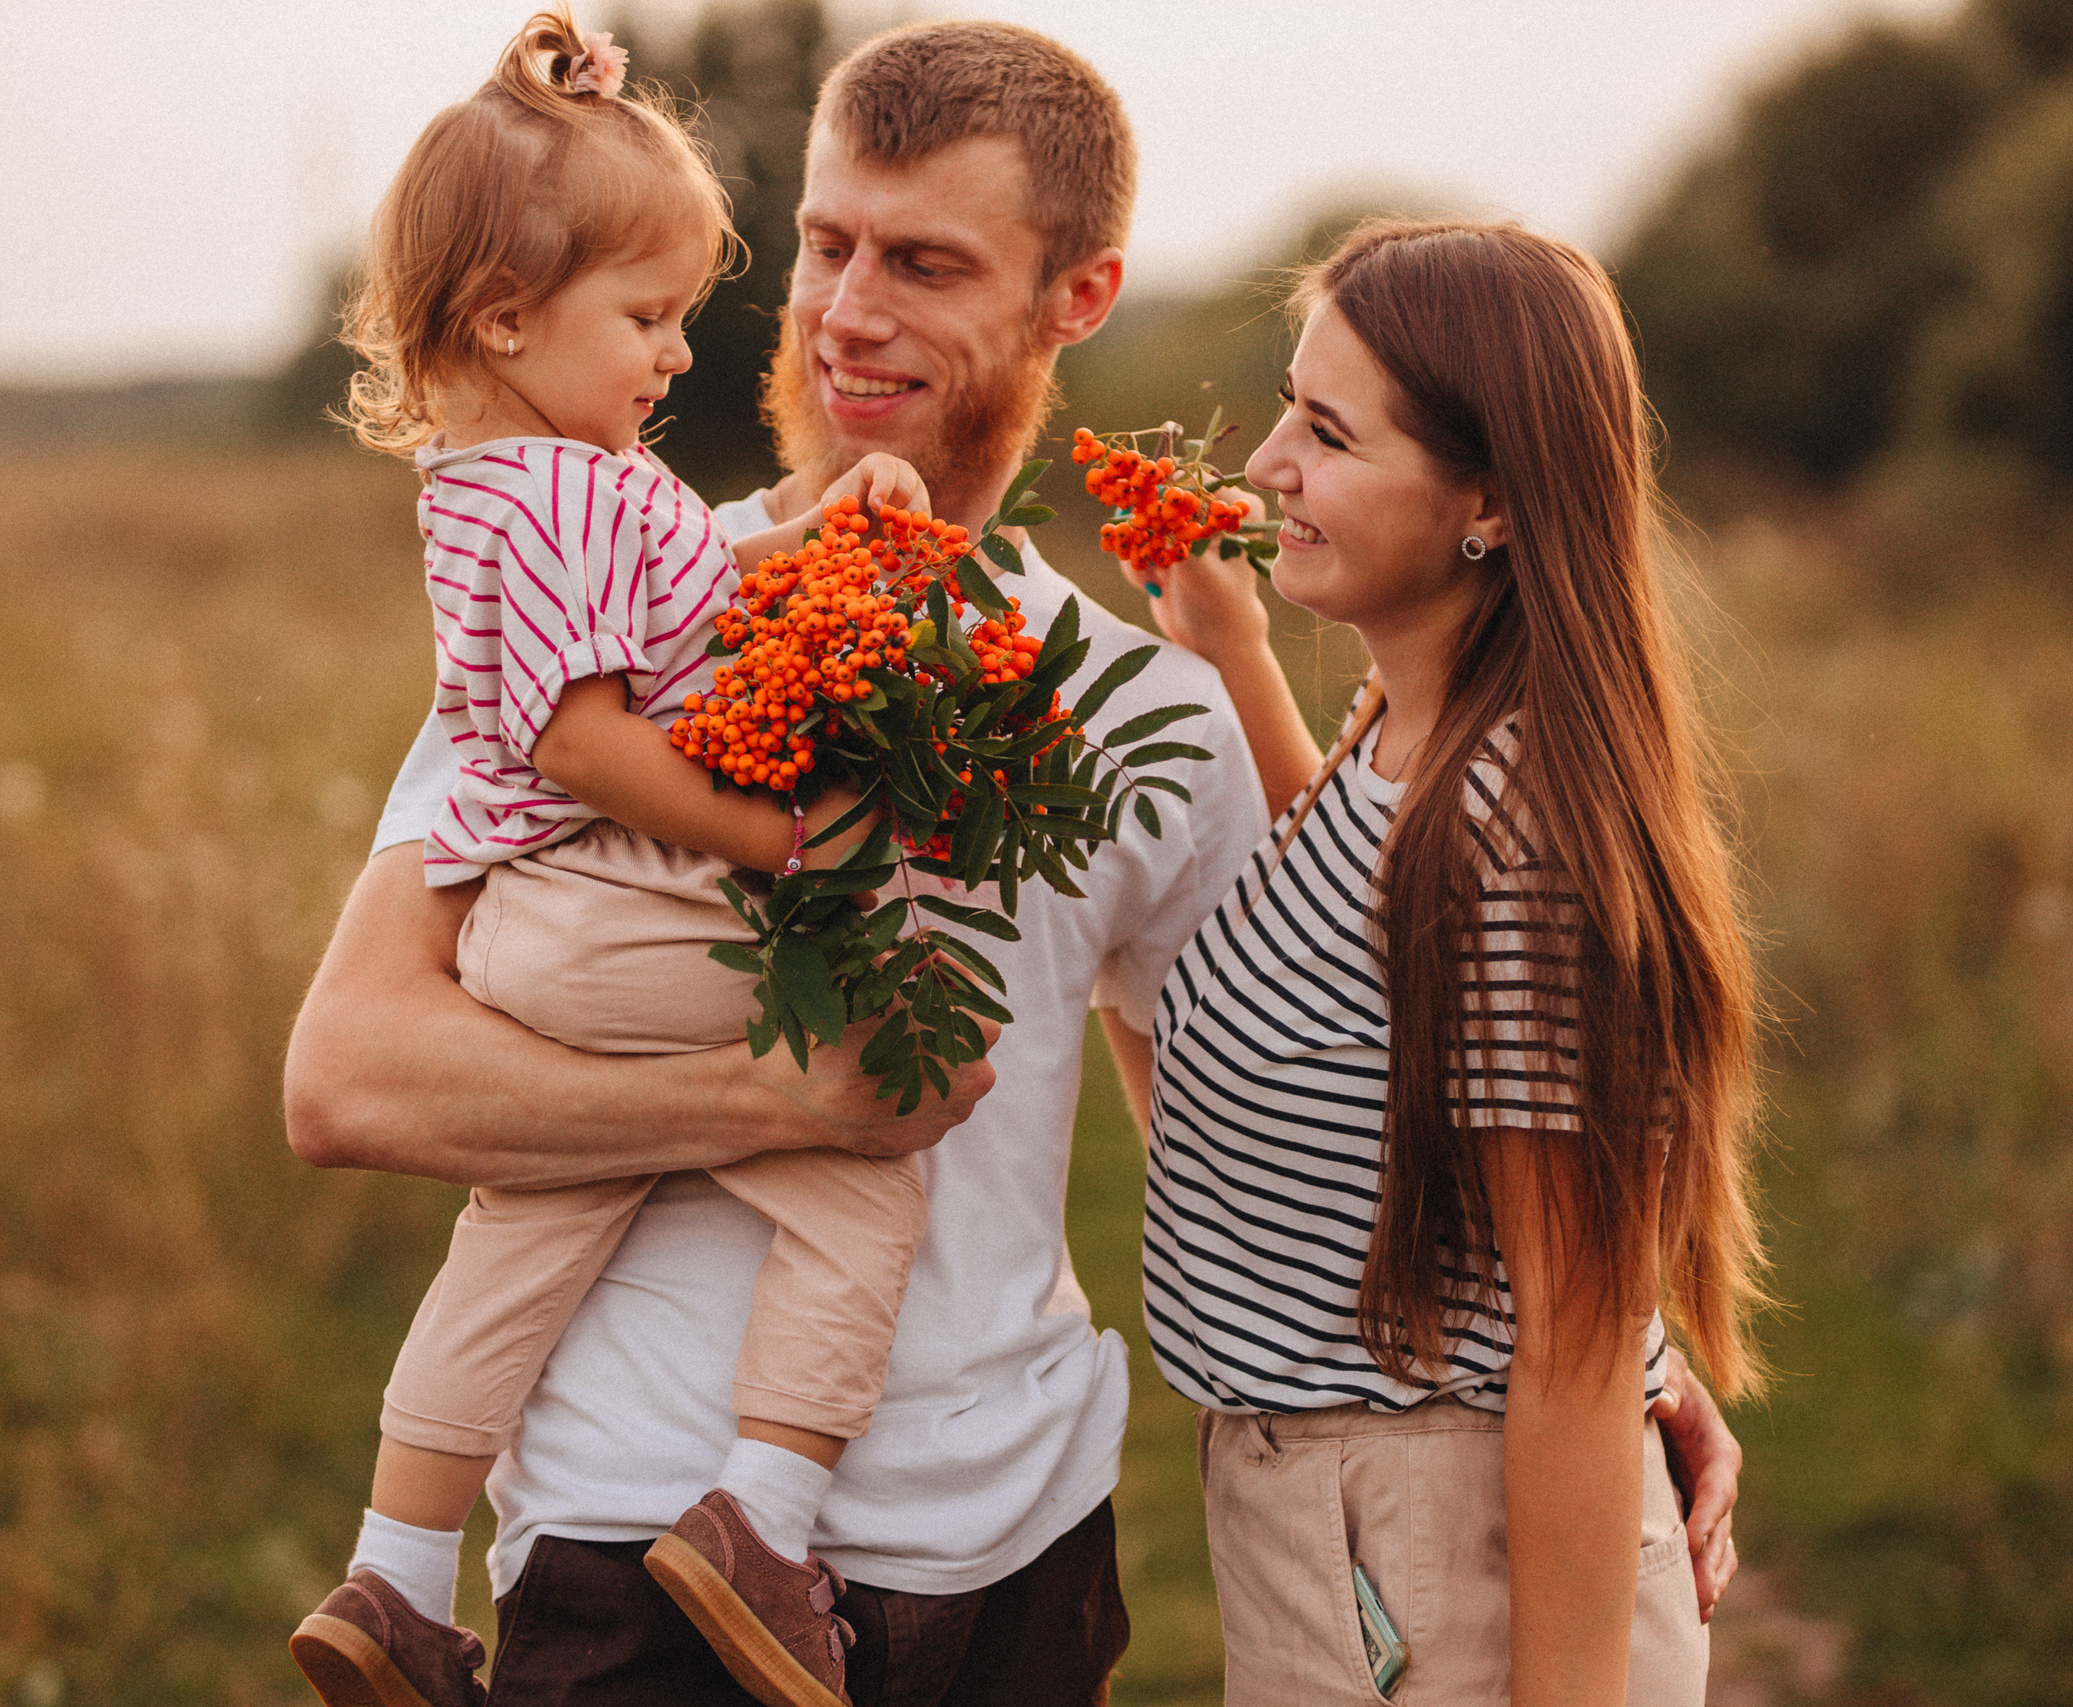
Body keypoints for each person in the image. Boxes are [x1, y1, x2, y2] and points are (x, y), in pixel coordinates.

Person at [285, 25, 1746, 1706]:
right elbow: (350, 1081)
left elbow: (1317, 1062)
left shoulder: (1151, 709)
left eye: (924, 261)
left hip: (1022, 1560)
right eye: (827, 245)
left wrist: (1614, 1351)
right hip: (638, 1545)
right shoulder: (630, 620)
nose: (848, 306)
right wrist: (797, 1107)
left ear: (1080, 294)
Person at [285, 17, 970, 1707]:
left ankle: (390, 1572)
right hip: (613, 902)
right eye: (646, 319)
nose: (677, 355)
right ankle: (764, 1517)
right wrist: (781, 837)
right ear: (508, 318)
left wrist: (816, 529)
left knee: (527, 1221)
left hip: (540, 931)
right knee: (879, 1153)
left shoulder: (522, 480)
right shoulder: (568, 491)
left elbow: (694, 619)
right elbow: (586, 739)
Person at [1121, 218, 1769, 1706]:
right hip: (1349, 1532)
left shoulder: (1514, 839)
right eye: (1290, 402)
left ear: (1490, 501)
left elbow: (1576, 1348)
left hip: (1431, 1564)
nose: (1269, 462)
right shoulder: (1412, 739)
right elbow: (1377, 952)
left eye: (1330, 435)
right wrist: (1237, 658)